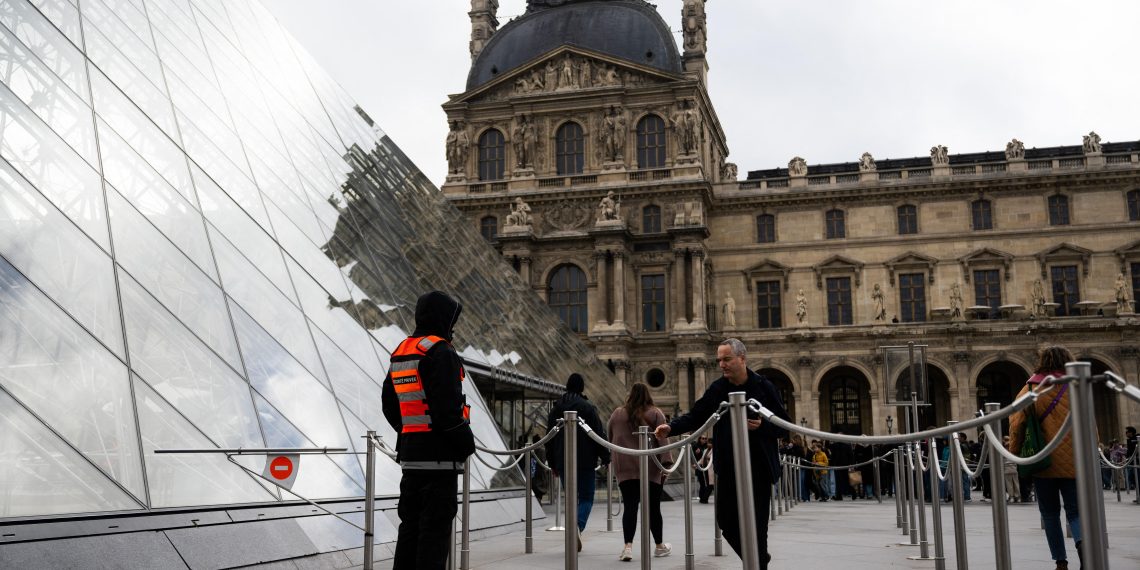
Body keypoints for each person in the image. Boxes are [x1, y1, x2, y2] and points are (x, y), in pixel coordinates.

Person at [655, 338, 790, 569]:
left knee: (758, 527)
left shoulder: (764, 387)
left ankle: (757, 563)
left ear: (742, 359)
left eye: (726, 359)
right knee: (726, 522)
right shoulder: (718, 389)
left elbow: (784, 425)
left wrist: (763, 426)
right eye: (719, 360)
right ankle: (758, 560)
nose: (722, 364)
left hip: (759, 467)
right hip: (728, 467)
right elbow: (696, 416)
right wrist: (671, 427)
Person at [381, 291, 476, 570]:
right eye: (452, 319)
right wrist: (465, 444)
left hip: (411, 458)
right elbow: (447, 411)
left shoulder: (402, 351)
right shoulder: (441, 351)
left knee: (409, 531)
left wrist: (410, 431)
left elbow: (389, 405)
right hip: (439, 461)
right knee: (433, 538)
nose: (454, 327)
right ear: (443, 318)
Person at [1008, 346, 1082, 570]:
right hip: (1074, 460)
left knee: (1050, 514)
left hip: (1043, 459)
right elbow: (1090, 422)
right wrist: (1093, 449)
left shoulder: (1032, 386)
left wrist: (1015, 451)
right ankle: (1083, 545)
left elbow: (1017, 422)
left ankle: (1060, 562)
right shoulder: (1077, 386)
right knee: (1076, 512)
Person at [607, 383, 672, 561]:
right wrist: (666, 465)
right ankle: (659, 546)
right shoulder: (656, 413)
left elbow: (610, 438)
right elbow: (663, 441)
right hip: (650, 468)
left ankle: (627, 547)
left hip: (625, 468)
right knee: (653, 508)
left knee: (630, 507)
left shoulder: (617, 414)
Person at [547, 373, 610, 548]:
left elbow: (548, 439)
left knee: (571, 497)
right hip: (585, 460)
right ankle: (578, 525)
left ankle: (574, 527)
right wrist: (606, 457)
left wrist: (552, 463)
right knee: (587, 497)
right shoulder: (588, 407)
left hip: (562, 460)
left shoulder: (556, 408)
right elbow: (597, 433)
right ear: (582, 387)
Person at [693, 435, 714, 503]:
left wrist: (709, 458)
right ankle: (703, 498)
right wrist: (696, 465)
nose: (708, 444)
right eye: (708, 443)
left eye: (710, 443)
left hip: (711, 470)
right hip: (705, 470)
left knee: (710, 485)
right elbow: (701, 459)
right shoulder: (705, 450)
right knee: (707, 484)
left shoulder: (715, 450)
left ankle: (704, 498)